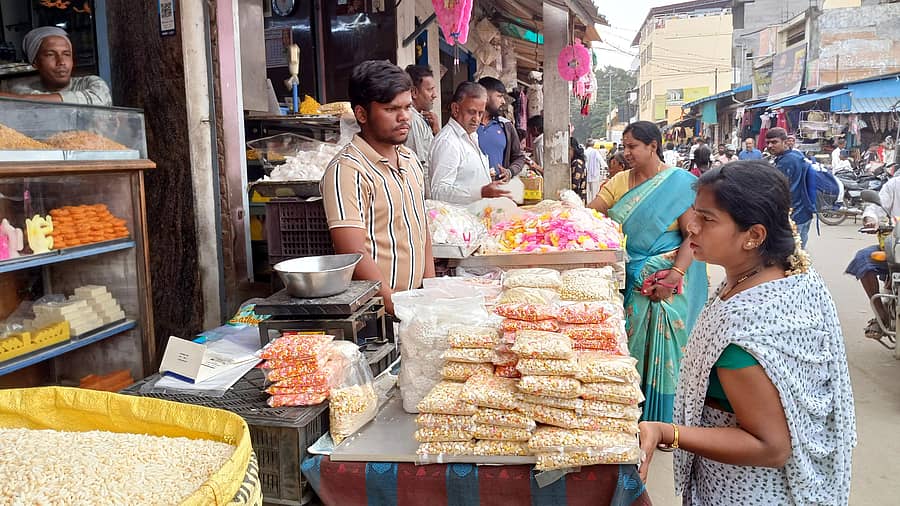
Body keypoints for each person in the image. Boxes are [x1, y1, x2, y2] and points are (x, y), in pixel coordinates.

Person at [640, 161, 856, 505]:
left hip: (748, 491)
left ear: (754, 236)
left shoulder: (744, 332)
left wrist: (668, 431)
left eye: (707, 219)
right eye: (695, 214)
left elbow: (771, 447)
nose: (691, 228)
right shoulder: (786, 275)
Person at [588, 121, 707, 422]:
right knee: (630, 343)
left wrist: (675, 276)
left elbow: (692, 236)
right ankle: (632, 413)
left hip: (668, 279)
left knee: (667, 348)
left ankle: (665, 421)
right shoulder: (619, 182)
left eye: (632, 146)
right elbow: (590, 216)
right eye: (624, 146)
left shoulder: (678, 184)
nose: (626, 152)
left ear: (653, 146)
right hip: (630, 277)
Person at [320, 60, 434, 316]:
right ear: (362, 114)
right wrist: (395, 306)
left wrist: (429, 291)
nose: (404, 116)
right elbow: (353, 252)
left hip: (415, 305)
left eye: (406, 107)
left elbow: (421, 228)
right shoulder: (347, 170)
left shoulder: (410, 160)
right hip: (379, 314)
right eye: (391, 109)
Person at [430, 82, 510, 204]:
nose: (477, 119)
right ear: (455, 109)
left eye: (480, 113)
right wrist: (481, 192)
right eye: (472, 112)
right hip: (458, 220)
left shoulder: (472, 136)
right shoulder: (448, 142)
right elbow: (438, 192)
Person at [846, 173, 900, 338]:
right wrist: (871, 220)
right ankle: (880, 313)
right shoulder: (895, 184)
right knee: (863, 258)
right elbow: (874, 209)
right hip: (895, 246)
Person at [0, 27, 111, 106]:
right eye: (50, 55)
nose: (61, 61)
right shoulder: (21, 89)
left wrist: (23, 100)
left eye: (66, 54)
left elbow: (99, 99)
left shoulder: (91, 83)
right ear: (35, 63)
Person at [766, 127, 814, 248]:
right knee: (799, 254)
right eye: (768, 142)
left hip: (794, 215)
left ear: (785, 141)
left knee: (794, 257)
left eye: (774, 142)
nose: (770, 145)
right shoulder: (795, 155)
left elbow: (779, 190)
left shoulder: (787, 161)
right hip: (803, 213)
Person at [476, 77, 526, 180]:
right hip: (473, 191)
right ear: (485, 96)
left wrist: (510, 172)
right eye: (499, 96)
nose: (503, 101)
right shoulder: (468, 127)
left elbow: (519, 157)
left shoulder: (505, 125)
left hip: (499, 190)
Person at [403, 65, 439, 195]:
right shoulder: (413, 120)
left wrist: (436, 131)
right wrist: (429, 201)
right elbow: (419, 164)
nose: (434, 95)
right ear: (414, 92)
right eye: (429, 90)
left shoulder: (421, 118)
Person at [570, 136, 588, 203]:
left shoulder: (577, 163)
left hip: (577, 200)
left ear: (573, 149)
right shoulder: (577, 161)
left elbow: (574, 185)